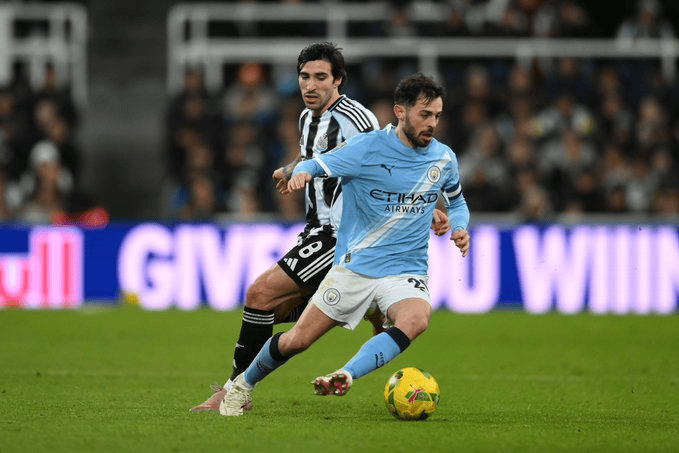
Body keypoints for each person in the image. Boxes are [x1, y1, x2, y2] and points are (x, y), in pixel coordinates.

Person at [190, 43, 451, 412]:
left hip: (340, 233)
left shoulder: (355, 118)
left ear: (338, 80)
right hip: (315, 229)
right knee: (270, 312)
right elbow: (319, 155)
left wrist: (422, 209)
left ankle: (234, 391)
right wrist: (293, 168)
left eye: (320, 77)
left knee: (260, 295)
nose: (310, 85)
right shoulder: (307, 117)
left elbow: (386, 158)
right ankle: (366, 308)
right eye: (304, 77)